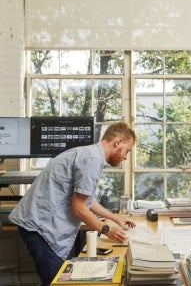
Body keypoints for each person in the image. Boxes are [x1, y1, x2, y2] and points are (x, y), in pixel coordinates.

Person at [9, 121, 137, 286]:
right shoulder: (92, 159)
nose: (125, 157)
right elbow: (79, 208)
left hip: (40, 224)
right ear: (118, 142)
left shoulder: (90, 154)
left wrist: (115, 218)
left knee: (58, 279)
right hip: (39, 227)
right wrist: (106, 229)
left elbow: (87, 200)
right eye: (127, 151)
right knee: (57, 282)